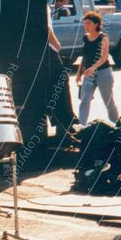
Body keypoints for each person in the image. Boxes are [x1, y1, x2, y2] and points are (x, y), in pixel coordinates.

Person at [76, 11, 119, 126]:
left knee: (108, 101)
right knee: (84, 100)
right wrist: (79, 74)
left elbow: (104, 57)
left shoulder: (103, 37)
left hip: (103, 73)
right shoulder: (85, 38)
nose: (86, 26)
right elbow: (84, 57)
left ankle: (117, 124)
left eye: (88, 23)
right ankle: (81, 126)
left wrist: (93, 68)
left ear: (96, 24)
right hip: (88, 74)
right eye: (84, 24)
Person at [45, 8, 80, 145]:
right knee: (61, 86)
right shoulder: (43, 6)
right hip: (49, 50)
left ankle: (63, 126)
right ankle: (65, 125)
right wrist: (57, 45)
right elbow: (48, 29)